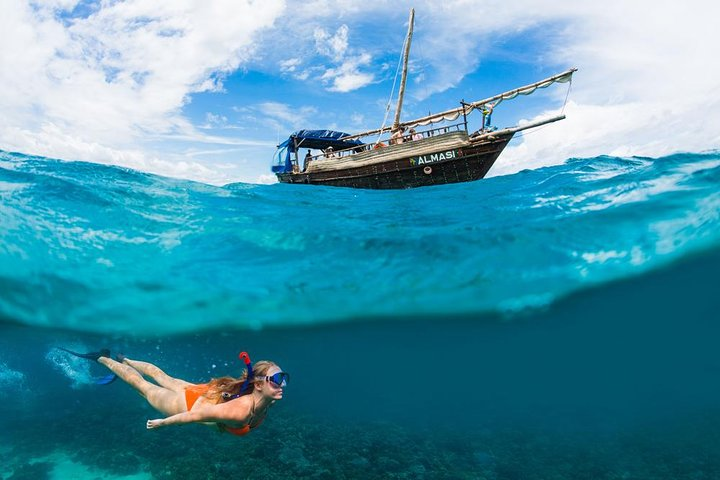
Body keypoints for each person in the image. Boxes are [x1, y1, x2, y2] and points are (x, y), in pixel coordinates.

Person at [58, 348, 287, 436]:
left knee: (163, 377)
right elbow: (194, 416)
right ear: (258, 384)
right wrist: (163, 423)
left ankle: (125, 358)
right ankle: (102, 358)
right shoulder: (240, 412)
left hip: (205, 393)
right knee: (144, 387)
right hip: (189, 405)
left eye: (284, 378)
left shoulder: (268, 400)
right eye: (277, 379)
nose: (283, 384)